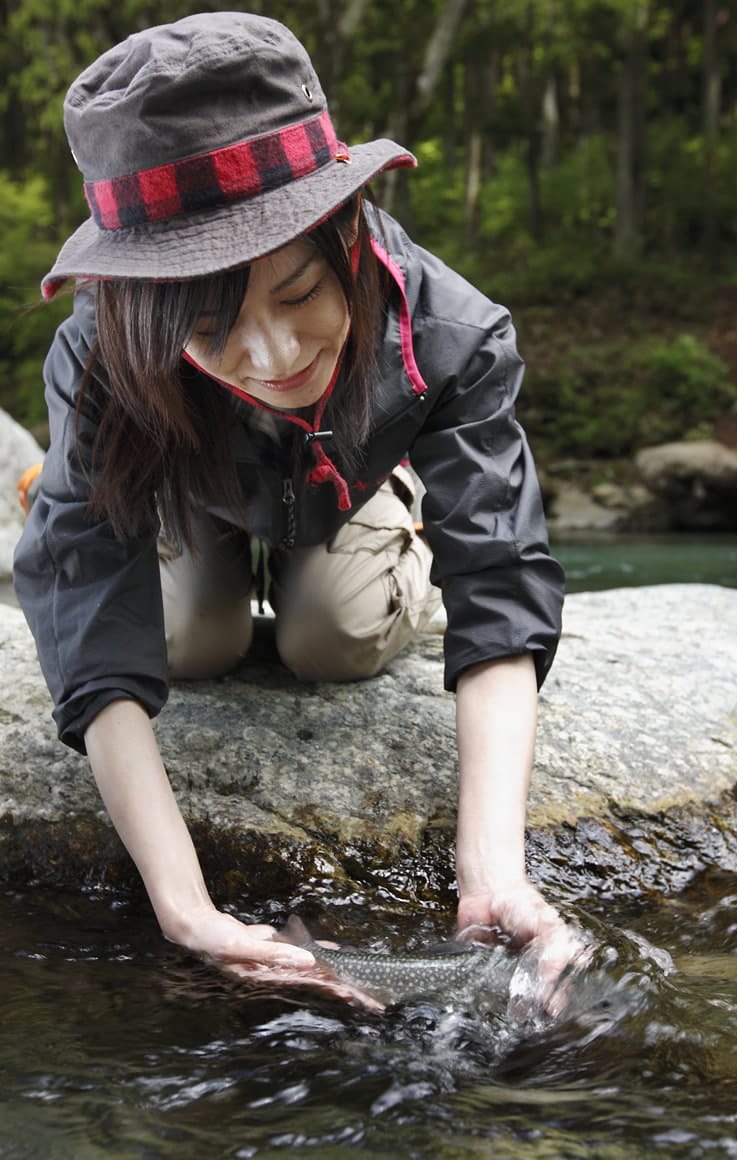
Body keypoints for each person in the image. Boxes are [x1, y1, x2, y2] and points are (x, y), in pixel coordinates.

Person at [13, 12, 573, 992]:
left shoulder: (453, 333)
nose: (271, 357)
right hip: (189, 495)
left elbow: (500, 578)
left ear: (348, 226)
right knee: (188, 642)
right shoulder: (101, 350)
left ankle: (390, 536)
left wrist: (493, 873)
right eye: (208, 325)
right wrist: (184, 908)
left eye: (300, 291)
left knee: (329, 636)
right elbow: (83, 592)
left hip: (345, 488)